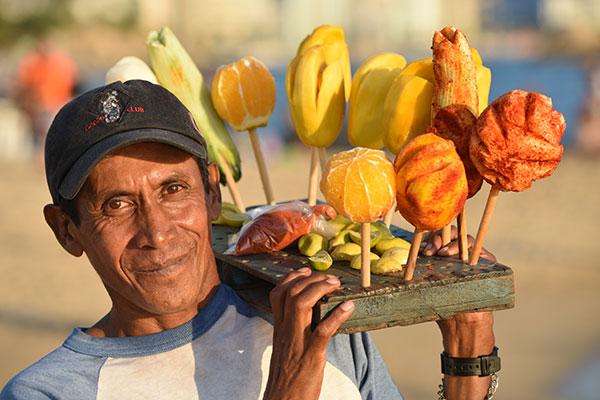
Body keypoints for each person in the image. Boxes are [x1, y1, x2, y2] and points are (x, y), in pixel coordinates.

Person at [0, 80, 498, 400]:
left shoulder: (310, 315)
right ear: (67, 230)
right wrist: (287, 389)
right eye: (117, 205)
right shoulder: (49, 393)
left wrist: (468, 347)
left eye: (173, 190)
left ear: (212, 194)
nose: (156, 231)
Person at [15, 37, 77, 165]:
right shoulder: (33, 63)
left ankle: (43, 160)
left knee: (48, 133)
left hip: (56, 103)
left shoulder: (61, 63)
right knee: (40, 134)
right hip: (41, 105)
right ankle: (40, 160)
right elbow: (25, 83)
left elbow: (71, 83)